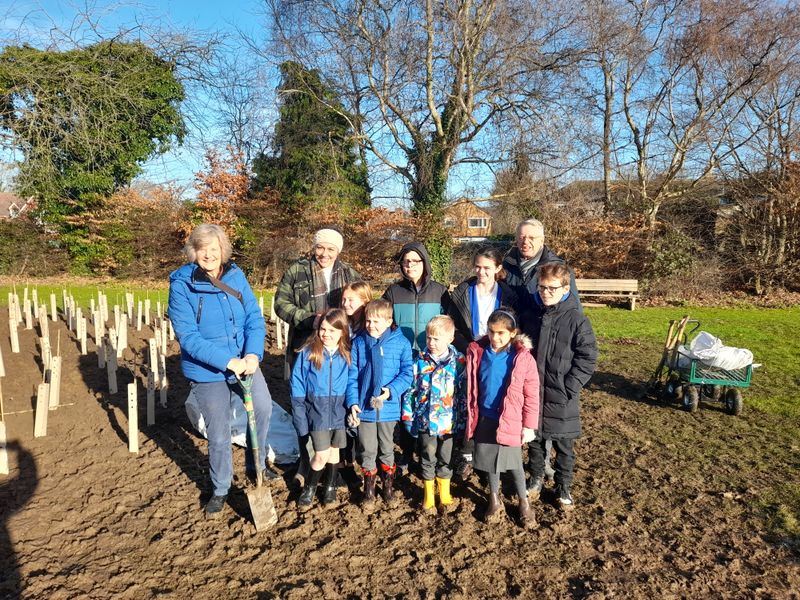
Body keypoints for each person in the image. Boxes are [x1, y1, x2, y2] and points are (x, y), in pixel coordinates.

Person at [168, 223, 276, 518]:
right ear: (194, 251)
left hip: (245, 362)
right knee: (219, 432)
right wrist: (228, 362)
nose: (209, 255)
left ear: (223, 251)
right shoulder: (182, 285)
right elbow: (189, 337)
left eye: (214, 249)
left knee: (263, 409)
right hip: (208, 371)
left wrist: (253, 353)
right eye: (203, 250)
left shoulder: (236, 276)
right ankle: (220, 488)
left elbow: (253, 316)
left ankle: (258, 467)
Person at [274, 228, 359, 485]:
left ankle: (341, 463)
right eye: (320, 248)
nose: (324, 253)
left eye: (330, 249)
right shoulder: (296, 270)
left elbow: (360, 301)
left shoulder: (348, 274)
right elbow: (280, 302)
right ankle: (306, 462)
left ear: (338, 251)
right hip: (305, 346)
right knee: (304, 403)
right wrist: (309, 320)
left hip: (339, 349)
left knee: (338, 403)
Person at [522, 263, 597, 510]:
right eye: (542, 287)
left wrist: (570, 386)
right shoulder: (531, 315)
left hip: (562, 395)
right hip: (533, 394)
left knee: (564, 445)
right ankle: (535, 478)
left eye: (552, 288)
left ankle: (563, 486)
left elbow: (587, 357)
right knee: (534, 440)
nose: (545, 292)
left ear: (565, 289)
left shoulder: (577, 320)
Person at [448, 245, 519, 479]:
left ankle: (495, 453)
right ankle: (466, 455)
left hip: (498, 354)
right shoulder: (462, 292)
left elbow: (514, 328)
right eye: (477, 266)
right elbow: (453, 324)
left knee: (494, 401)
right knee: (470, 401)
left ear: (498, 268)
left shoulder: (509, 295)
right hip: (470, 352)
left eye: (487, 267)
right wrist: (465, 345)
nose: (481, 271)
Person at [465, 308, 540, 527]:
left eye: (501, 333)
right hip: (485, 416)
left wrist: (529, 425)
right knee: (489, 462)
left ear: (512, 333)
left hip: (509, 418)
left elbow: (532, 393)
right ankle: (494, 499)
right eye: (491, 332)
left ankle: (524, 502)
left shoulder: (521, 358)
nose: (495, 337)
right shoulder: (478, 351)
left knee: (515, 463)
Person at [383, 242, 449, 472]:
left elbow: (449, 325)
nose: (409, 265)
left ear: (425, 262)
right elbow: (384, 324)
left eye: (414, 261)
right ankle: (406, 451)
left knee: (428, 404)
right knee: (407, 405)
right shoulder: (393, 292)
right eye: (405, 261)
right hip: (403, 359)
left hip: (431, 360)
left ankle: (427, 453)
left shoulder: (439, 292)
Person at [346, 299, 414, 507]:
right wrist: (353, 401)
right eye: (368, 321)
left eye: (376, 321)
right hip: (365, 407)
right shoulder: (359, 343)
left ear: (388, 321)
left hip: (388, 408)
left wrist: (391, 390)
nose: (371, 325)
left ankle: (388, 487)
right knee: (367, 449)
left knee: (386, 447)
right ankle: (369, 490)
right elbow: (353, 375)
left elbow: (407, 373)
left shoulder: (401, 343)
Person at [401, 315, 466, 512]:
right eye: (429, 338)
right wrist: (408, 416)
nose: (431, 343)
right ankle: (428, 493)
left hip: (449, 422)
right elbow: (410, 391)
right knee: (427, 455)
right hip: (424, 421)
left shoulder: (459, 362)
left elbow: (463, 394)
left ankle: (444, 492)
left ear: (450, 338)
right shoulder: (419, 361)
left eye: (436, 339)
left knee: (446, 456)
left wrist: (463, 419)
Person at [290, 308, 351, 510]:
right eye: (323, 329)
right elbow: (297, 385)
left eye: (332, 330)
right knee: (320, 454)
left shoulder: (346, 355)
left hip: (339, 412)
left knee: (334, 453)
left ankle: (330, 487)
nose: (326, 334)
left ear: (342, 332)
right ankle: (309, 488)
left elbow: (352, 382)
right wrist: (300, 415)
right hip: (317, 412)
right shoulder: (309, 352)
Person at [502, 218, 581, 312]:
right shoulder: (506, 265)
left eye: (531, 238)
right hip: (512, 324)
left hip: (544, 324)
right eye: (521, 237)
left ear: (541, 241)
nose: (525, 242)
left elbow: (573, 306)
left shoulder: (558, 268)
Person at [339, 280, 373, 488]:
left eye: (351, 300)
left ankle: (361, 464)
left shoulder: (369, 326)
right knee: (344, 424)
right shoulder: (343, 323)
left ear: (365, 301)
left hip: (360, 382)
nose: (346, 304)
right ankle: (345, 465)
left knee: (357, 425)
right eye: (344, 299)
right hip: (342, 380)